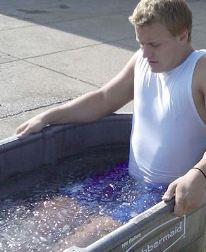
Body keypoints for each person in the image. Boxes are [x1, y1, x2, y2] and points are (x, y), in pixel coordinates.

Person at [16, 0, 206, 217]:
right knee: (47, 213)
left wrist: (200, 173)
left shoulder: (200, 70)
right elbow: (104, 99)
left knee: (87, 239)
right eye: (140, 43)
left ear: (182, 35)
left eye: (154, 45)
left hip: (167, 193)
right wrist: (48, 116)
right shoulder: (142, 62)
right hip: (127, 177)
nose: (145, 53)